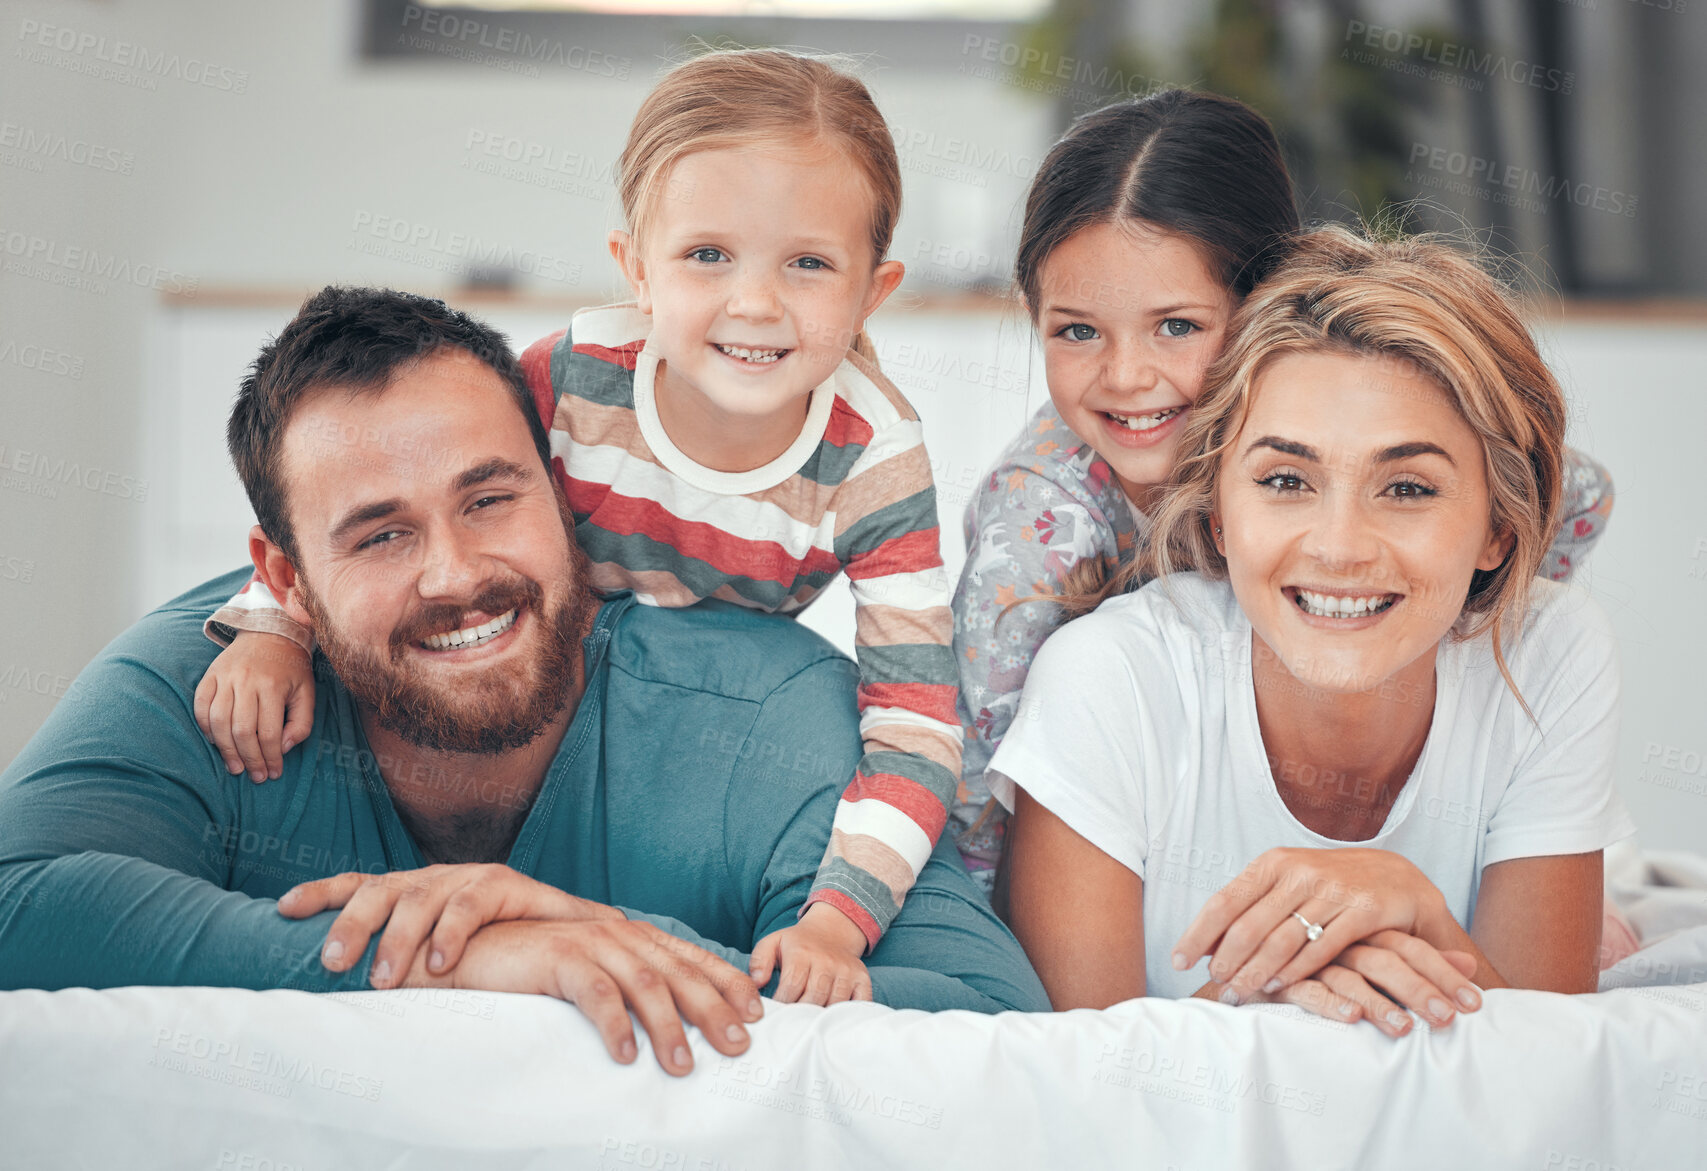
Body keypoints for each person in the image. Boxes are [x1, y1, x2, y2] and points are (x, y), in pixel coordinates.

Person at [0, 286, 1049, 1078]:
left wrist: (587, 942)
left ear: (562, 490)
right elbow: (18, 908)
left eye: (489, 498)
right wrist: (447, 958)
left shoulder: (762, 711)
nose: (454, 575)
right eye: (380, 534)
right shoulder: (214, 678)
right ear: (286, 580)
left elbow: (990, 1015)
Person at [191, 48, 960, 1006]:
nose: (754, 302)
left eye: (808, 263)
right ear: (635, 269)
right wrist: (273, 624)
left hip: (694, 720)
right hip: (550, 688)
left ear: (870, 292)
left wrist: (834, 924)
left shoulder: (873, 458)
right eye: (706, 254)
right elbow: (396, 491)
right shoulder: (577, 371)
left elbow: (917, 722)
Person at [948, 91, 1617, 891]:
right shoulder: (1034, 532)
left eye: (1177, 326)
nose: (1126, 377)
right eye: (1077, 331)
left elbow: (1571, 492)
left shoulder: (1361, 415)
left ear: (1266, 301)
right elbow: (979, 784)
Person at [992, 225, 1635, 1035]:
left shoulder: (1546, 649)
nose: (1338, 547)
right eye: (1285, 480)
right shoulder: (1106, 679)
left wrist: (1416, 912)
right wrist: (1276, 982)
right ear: (1219, 514)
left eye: (1405, 488)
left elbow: (1550, 1081)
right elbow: (1073, 1097)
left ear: (1498, 529)